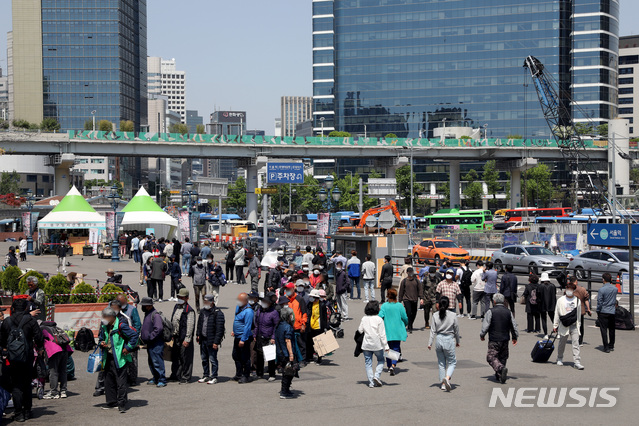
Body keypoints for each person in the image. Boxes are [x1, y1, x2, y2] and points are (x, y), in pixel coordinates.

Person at [0, 298, 44, 422]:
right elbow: (39, 337)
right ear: (26, 308)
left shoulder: (7, 321)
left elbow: (2, 340)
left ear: (12, 309)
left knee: (16, 385)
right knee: (26, 383)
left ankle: (18, 413)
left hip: (12, 358)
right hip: (27, 356)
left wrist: (5, 350)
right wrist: (39, 348)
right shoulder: (31, 320)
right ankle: (27, 410)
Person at [98, 307, 138, 413]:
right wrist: (101, 343)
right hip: (108, 357)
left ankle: (122, 404)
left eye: (105, 317)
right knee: (109, 381)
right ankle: (111, 402)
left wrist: (128, 348)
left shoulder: (121, 325)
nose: (103, 319)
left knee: (121, 382)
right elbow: (100, 337)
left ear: (112, 317)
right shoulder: (104, 326)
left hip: (120, 358)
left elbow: (134, 335)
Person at [480, 293, 519, 383]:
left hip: (494, 338)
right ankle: (500, 375)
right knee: (502, 357)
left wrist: (482, 334)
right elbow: (513, 325)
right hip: (505, 338)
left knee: (491, 356)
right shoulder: (508, 312)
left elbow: (486, 325)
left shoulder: (491, 311)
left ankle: (501, 369)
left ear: (494, 301)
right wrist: (515, 336)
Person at [428, 296, 461, 391]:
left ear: (438, 305)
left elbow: (432, 330)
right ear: (448, 305)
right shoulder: (453, 315)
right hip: (449, 339)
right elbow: (456, 330)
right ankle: (447, 378)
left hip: (439, 339)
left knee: (441, 363)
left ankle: (443, 384)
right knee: (452, 362)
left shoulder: (435, 315)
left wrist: (430, 343)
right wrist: (458, 341)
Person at [553, 281, 584, 370]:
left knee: (576, 343)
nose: (569, 291)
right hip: (564, 324)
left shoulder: (577, 300)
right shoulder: (560, 300)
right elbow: (557, 313)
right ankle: (559, 358)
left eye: (571, 289)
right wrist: (555, 325)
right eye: (568, 289)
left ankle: (577, 361)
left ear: (573, 290)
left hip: (574, 325)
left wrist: (579, 325)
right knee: (562, 343)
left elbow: (578, 315)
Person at [358, 301, 389, 388]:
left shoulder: (364, 318)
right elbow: (382, 334)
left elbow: (360, 330)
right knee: (381, 360)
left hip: (366, 344)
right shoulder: (379, 319)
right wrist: (386, 346)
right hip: (377, 344)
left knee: (368, 363)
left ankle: (371, 382)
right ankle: (377, 376)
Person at [196, 294, 225, 384]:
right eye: (204, 301)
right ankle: (206, 375)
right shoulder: (203, 311)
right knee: (204, 359)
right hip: (203, 339)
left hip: (212, 340)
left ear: (212, 302)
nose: (205, 303)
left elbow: (220, 329)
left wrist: (216, 342)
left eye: (207, 301)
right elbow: (199, 324)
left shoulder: (217, 313)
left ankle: (214, 376)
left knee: (212, 359)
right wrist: (198, 335)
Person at [378, 288, 408, 376]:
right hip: (397, 330)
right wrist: (406, 324)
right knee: (396, 348)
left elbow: (380, 316)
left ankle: (389, 365)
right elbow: (405, 317)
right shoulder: (399, 306)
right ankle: (393, 365)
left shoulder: (384, 306)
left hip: (387, 330)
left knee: (387, 348)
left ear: (387, 296)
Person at [169, 288, 196, 384]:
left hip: (184, 338)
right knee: (176, 357)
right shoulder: (176, 307)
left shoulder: (189, 310)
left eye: (182, 297)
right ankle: (175, 375)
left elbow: (190, 326)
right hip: (176, 336)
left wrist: (187, 339)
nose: (179, 298)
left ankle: (186, 377)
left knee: (186, 358)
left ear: (187, 298)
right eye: (179, 297)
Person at [42, 322, 74, 400]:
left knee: (53, 371)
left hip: (54, 351)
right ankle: (63, 391)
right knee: (63, 371)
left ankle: (54, 392)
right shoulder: (58, 329)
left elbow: (39, 340)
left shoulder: (44, 329)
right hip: (65, 350)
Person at [139, 297, 166, 387]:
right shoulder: (148, 313)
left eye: (144, 305)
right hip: (150, 343)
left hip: (156, 343)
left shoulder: (155, 315)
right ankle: (155, 377)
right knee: (151, 361)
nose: (142, 307)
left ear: (149, 306)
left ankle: (161, 379)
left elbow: (159, 328)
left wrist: (151, 337)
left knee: (157, 361)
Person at [253, 292, 280, 380]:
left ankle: (272, 374)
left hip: (269, 337)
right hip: (259, 336)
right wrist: (255, 334)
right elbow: (256, 324)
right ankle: (259, 373)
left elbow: (276, 326)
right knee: (259, 356)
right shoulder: (259, 311)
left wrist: (273, 337)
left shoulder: (274, 312)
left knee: (270, 357)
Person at [116, 294, 141, 386]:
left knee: (132, 361)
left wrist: (134, 339)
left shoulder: (132, 310)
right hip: (119, 340)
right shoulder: (114, 309)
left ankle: (133, 379)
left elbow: (137, 325)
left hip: (130, 339)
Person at [283, 282, 309, 364]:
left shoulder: (299, 299)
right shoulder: (285, 300)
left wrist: (303, 324)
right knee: (291, 344)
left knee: (301, 344)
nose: (287, 291)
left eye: (289, 289)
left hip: (298, 326)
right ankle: (293, 360)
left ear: (293, 289)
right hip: (288, 327)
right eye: (286, 289)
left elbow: (304, 313)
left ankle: (303, 360)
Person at [232, 293, 254, 383]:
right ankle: (239, 373)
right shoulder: (239, 307)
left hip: (243, 337)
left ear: (245, 301)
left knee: (245, 357)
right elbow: (236, 319)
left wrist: (243, 339)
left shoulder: (249, 311)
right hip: (237, 336)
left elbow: (247, 326)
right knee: (235, 355)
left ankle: (246, 375)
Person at [275, 307, 297, 399]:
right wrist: (291, 354)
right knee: (288, 372)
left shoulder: (279, 325)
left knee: (286, 371)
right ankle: (284, 391)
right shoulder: (287, 327)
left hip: (280, 353)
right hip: (286, 353)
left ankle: (286, 390)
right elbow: (288, 340)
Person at [305, 289, 328, 365]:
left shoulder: (322, 305)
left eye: (312, 296)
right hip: (310, 326)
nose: (311, 298)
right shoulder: (309, 304)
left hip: (318, 326)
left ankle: (319, 358)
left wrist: (325, 327)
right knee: (310, 342)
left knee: (319, 343)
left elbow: (324, 317)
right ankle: (310, 357)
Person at [596, 272, 617, 353]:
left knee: (603, 329)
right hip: (612, 311)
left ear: (603, 279)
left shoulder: (602, 290)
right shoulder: (615, 289)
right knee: (612, 329)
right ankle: (611, 345)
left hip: (603, 311)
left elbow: (600, 302)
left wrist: (598, 310)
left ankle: (606, 347)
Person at [398, 267, 423, 333]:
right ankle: (409, 326)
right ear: (407, 273)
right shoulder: (404, 281)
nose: (411, 273)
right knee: (408, 312)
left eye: (412, 272)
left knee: (414, 313)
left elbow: (420, 289)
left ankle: (410, 323)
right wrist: (399, 300)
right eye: (410, 272)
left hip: (414, 299)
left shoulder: (416, 281)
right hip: (406, 299)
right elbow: (401, 291)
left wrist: (421, 298)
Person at [568, 275, 591, 345]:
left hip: (571, 310)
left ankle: (574, 339)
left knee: (572, 325)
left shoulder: (568, 289)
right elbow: (586, 299)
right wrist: (588, 309)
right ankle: (580, 341)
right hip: (581, 309)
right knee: (580, 326)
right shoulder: (582, 289)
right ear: (576, 282)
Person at [540, 272, 557, 340]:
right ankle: (557, 332)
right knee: (553, 318)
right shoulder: (553, 286)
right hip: (551, 304)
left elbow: (538, 296)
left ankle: (546, 334)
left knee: (544, 319)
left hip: (542, 304)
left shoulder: (540, 286)